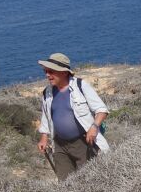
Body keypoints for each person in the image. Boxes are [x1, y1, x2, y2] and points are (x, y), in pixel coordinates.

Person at [36, 52, 110, 181]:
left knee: (89, 180)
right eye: (46, 71)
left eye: (51, 71)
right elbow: (46, 117)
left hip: (83, 143)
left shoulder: (80, 86)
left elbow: (101, 110)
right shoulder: (47, 92)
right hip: (59, 145)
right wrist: (44, 137)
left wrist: (94, 127)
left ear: (64, 72)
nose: (48, 75)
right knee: (65, 183)